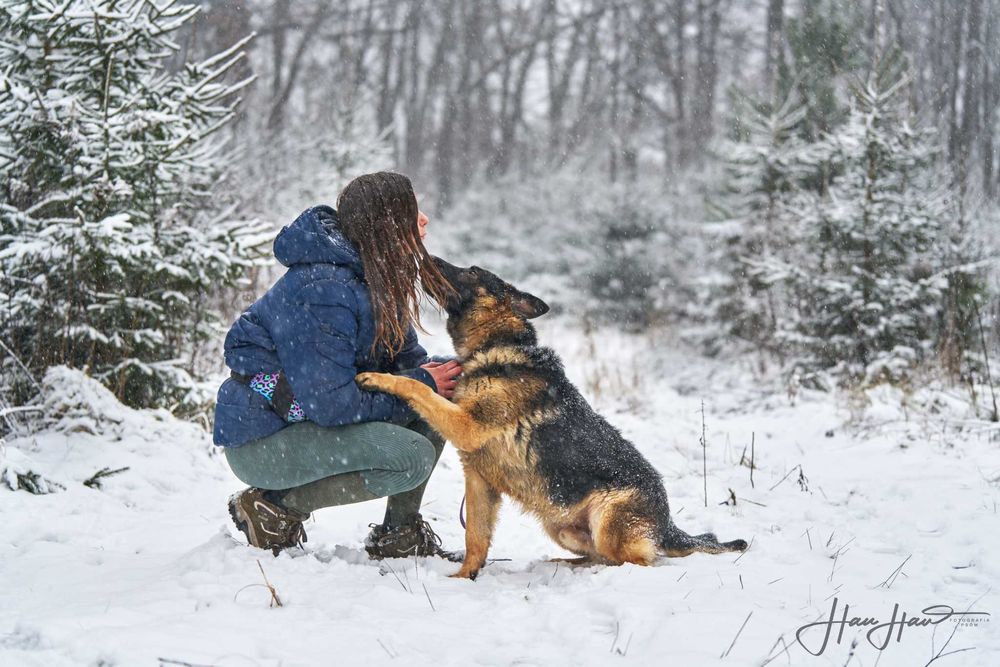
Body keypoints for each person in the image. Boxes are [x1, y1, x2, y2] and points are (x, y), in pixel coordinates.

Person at [214, 171, 463, 559]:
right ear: (389, 223)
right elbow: (333, 405)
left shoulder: (375, 276)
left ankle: (399, 535)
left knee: (444, 397)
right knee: (411, 456)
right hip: (265, 440)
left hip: (309, 424)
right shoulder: (323, 288)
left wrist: (464, 377)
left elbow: (412, 365)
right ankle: (273, 508)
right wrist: (420, 384)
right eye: (414, 211)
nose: (424, 219)